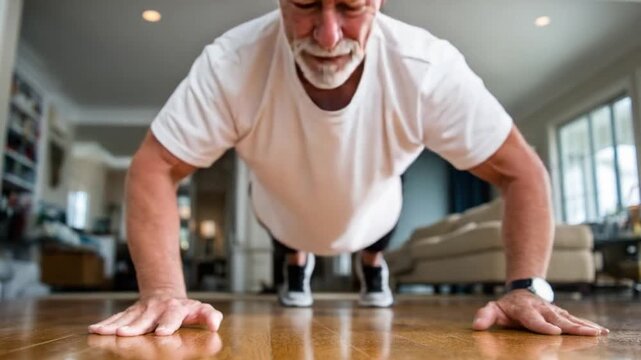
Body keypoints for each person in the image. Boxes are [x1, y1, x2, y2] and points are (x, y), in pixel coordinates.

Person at [88, 0, 608, 337]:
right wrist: (162, 292)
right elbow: (155, 165)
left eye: (351, 6)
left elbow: (522, 171)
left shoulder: (426, 68)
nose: (330, 35)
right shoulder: (231, 64)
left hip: (374, 212)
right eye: (306, 5)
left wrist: (527, 286)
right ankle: (298, 265)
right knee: (292, 238)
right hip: (282, 214)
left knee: (373, 235)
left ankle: (372, 266)